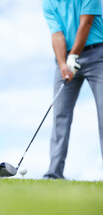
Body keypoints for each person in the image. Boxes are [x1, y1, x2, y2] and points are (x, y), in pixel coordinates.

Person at [42, 0, 103, 179]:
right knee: (60, 114)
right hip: (65, 58)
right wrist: (63, 64)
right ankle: (54, 173)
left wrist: (74, 54)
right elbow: (57, 34)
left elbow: (86, 22)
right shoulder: (48, 3)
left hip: (97, 55)